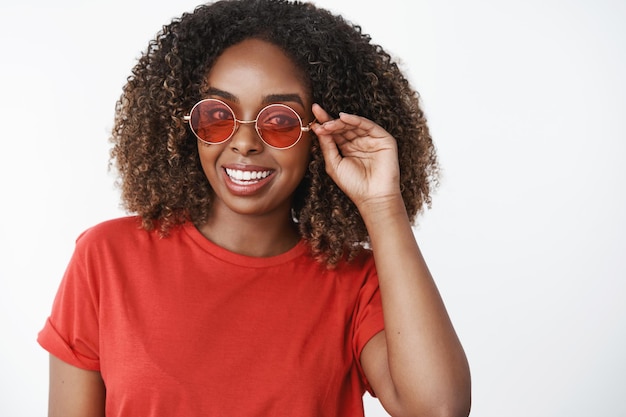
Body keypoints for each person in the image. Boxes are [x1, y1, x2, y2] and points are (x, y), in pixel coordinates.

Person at [38, 0, 471, 416]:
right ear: (185, 123)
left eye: (280, 120)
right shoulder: (106, 259)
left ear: (321, 134)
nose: (244, 142)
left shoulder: (357, 282)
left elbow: (438, 409)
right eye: (217, 115)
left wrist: (382, 205)